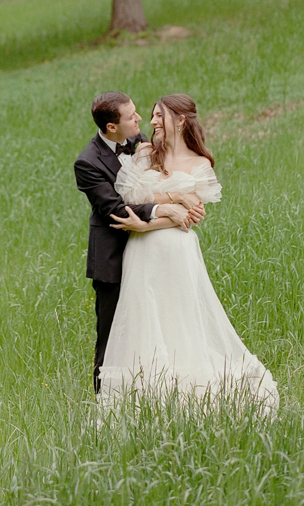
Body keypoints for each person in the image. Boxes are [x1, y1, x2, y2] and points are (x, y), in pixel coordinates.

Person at [100, 93, 279, 411]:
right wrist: (175, 201)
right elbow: (129, 201)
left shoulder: (200, 163)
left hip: (177, 249)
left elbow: (192, 214)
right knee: (145, 319)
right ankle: (148, 399)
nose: (151, 121)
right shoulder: (143, 154)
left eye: (159, 116)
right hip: (143, 254)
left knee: (181, 319)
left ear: (180, 120)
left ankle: (190, 396)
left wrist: (147, 224)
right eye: (151, 116)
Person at [74, 92, 205, 393]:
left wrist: (178, 199)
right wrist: (166, 208)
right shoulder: (87, 163)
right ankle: (105, 405)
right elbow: (117, 209)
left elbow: (154, 184)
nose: (139, 120)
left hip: (152, 254)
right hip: (114, 258)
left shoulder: (138, 141)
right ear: (111, 127)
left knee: (159, 324)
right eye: (131, 117)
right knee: (111, 336)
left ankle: (159, 391)